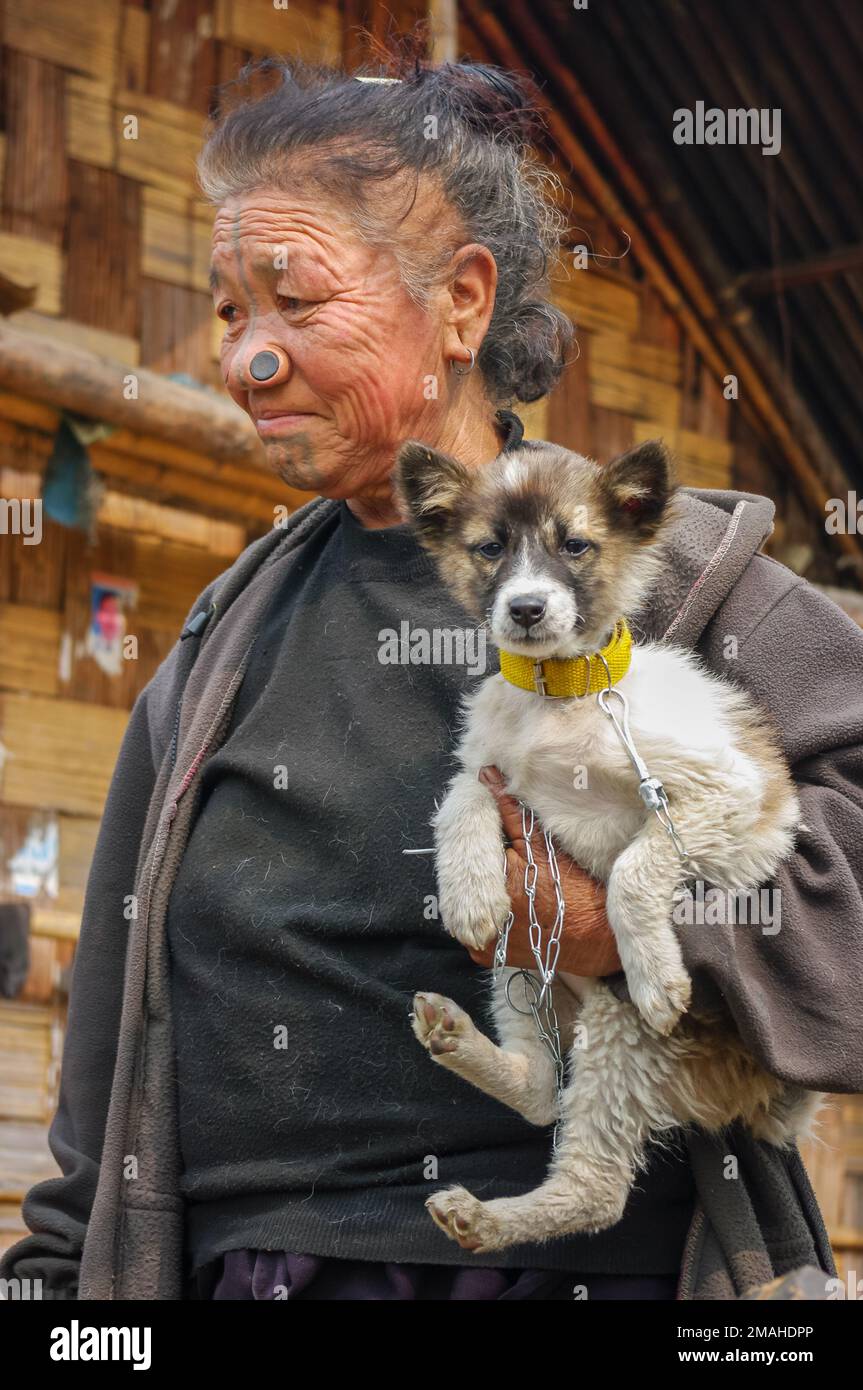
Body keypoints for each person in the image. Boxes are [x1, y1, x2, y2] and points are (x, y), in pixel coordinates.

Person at [2, 56, 859, 1303]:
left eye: (294, 301)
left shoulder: (668, 578)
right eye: (231, 310)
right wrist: (57, 1280)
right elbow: (113, 1040)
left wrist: (629, 924)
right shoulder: (215, 651)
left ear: (460, 303)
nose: (245, 359)